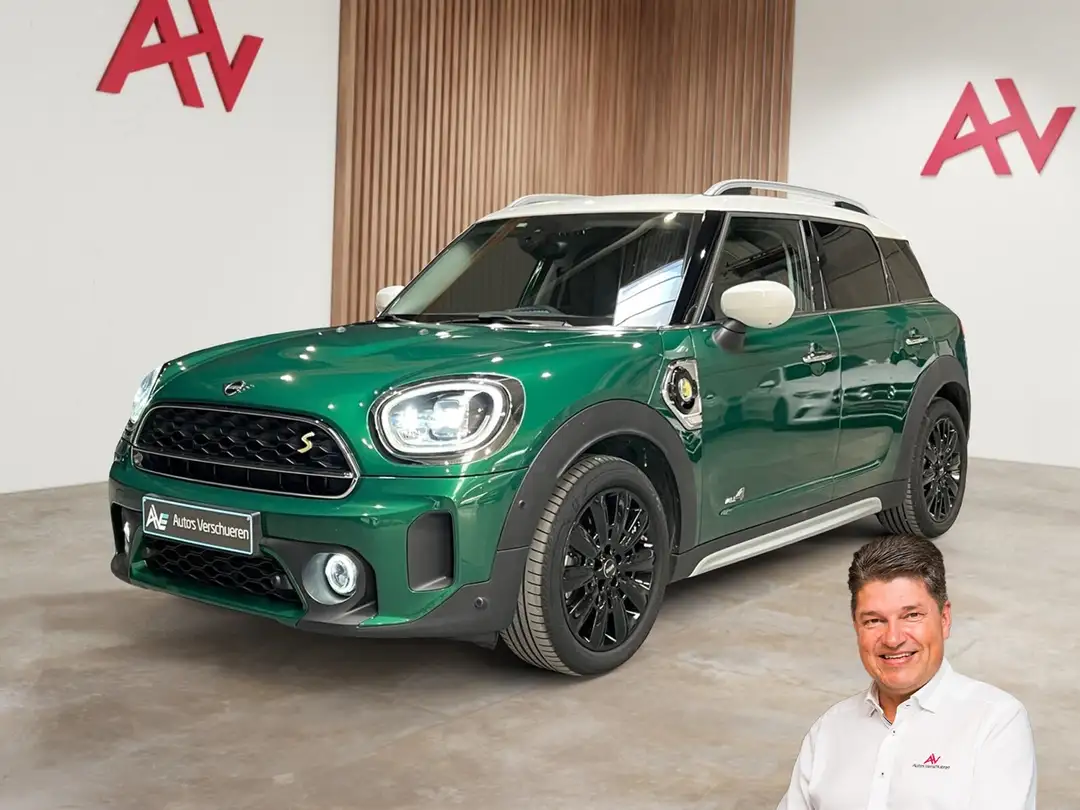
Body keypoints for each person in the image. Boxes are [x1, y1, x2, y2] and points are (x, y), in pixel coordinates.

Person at [776, 534, 1037, 810]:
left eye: (911, 615)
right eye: (874, 620)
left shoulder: (995, 722)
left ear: (944, 619)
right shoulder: (829, 730)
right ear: (856, 627)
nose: (893, 638)